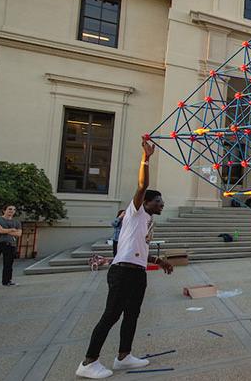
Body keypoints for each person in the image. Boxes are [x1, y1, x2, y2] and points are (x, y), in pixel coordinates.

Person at [76, 138, 174, 379]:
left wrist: (159, 261)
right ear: (148, 202)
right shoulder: (136, 213)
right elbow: (141, 186)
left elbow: (138, 249)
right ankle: (88, 362)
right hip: (122, 273)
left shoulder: (148, 222)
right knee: (111, 315)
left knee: (132, 314)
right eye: (159, 202)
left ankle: (123, 356)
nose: (162, 205)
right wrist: (146, 158)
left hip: (137, 272)